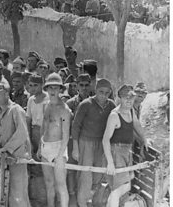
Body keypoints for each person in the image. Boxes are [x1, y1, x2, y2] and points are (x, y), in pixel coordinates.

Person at [0, 81, 31, 207]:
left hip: (17, 158)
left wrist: (6, 148)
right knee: (8, 195)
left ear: (6, 94)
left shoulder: (16, 110)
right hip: (5, 159)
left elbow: (22, 133)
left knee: (18, 195)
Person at [102, 85, 150, 207]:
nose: (128, 100)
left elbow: (137, 125)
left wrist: (144, 139)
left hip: (126, 153)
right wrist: (110, 163)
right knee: (119, 189)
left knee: (124, 186)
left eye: (131, 97)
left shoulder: (130, 110)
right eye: (125, 97)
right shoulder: (114, 115)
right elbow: (105, 140)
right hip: (115, 154)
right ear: (120, 98)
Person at [71, 78, 116, 207]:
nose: (104, 95)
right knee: (85, 175)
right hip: (86, 143)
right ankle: (82, 203)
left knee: (99, 175)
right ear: (95, 90)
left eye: (107, 93)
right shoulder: (86, 104)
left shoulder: (111, 105)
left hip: (102, 145)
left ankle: (94, 202)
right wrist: (75, 147)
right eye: (101, 91)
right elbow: (76, 126)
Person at [39, 73, 71, 207]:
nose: (52, 91)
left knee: (61, 185)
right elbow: (43, 127)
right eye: (50, 88)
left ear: (60, 90)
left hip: (59, 148)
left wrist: (59, 156)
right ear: (46, 89)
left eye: (56, 88)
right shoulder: (45, 105)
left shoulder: (64, 110)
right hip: (45, 148)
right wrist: (40, 147)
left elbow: (66, 135)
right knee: (48, 183)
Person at [26, 73, 49, 160]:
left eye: (36, 85)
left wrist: (40, 145)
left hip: (45, 133)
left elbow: (47, 124)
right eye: (31, 85)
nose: (33, 88)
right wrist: (29, 142)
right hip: (33, 133)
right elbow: (28, 120)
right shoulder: (31, 100)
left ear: (42, 85)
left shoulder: (48, 99)